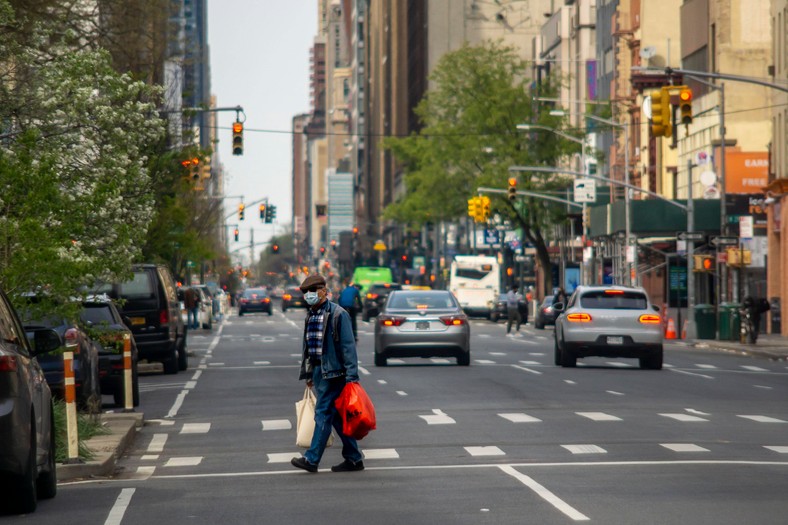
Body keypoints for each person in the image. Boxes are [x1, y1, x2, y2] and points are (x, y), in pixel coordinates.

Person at [291, 273, 364, 474]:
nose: (309, 295)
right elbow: (309, 347)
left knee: (322, 413)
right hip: (318, 372)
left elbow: (348, 347)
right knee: (337, 417)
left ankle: (312, 459)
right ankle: (354, 459)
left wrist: (352, 376)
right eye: (306, 292)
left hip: (335, 373)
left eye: (312, 291)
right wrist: (308, 374)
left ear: (324, 291)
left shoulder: (338, 314)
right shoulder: (311, 315)